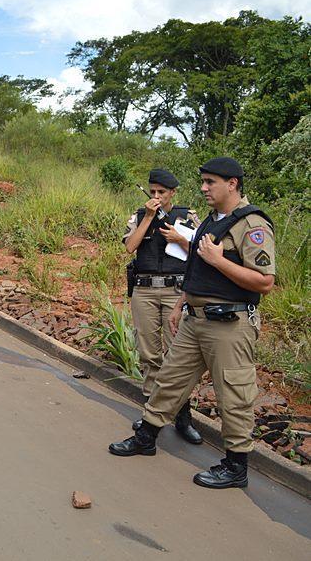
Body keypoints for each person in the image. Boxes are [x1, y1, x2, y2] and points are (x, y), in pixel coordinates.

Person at [109, 157, 276, 489]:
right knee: (169, 379)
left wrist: (217, 260)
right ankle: (147, 436)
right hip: (194, 318)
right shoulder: (212, 221)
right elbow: (197, 269)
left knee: (233, 392)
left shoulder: (252, 224)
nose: (203, 188)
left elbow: (263, 281)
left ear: (232, 184)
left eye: (210, 182)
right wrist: (182, 303)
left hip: (229, 323)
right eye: (203, 181)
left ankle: (236, 464)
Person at [122, 169, 202, 444]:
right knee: (149, 354)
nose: (156, 196)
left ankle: (182, 416)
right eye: (152, 191)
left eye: (161, 192)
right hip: (144, 289)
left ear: (172, 193)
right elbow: (130, 246)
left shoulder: (187, 216)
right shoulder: (138, 215)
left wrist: (180, 239)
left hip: (175, 291)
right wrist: (147, 218)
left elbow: (205, 253)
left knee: (178, 357)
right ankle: (151, 413)